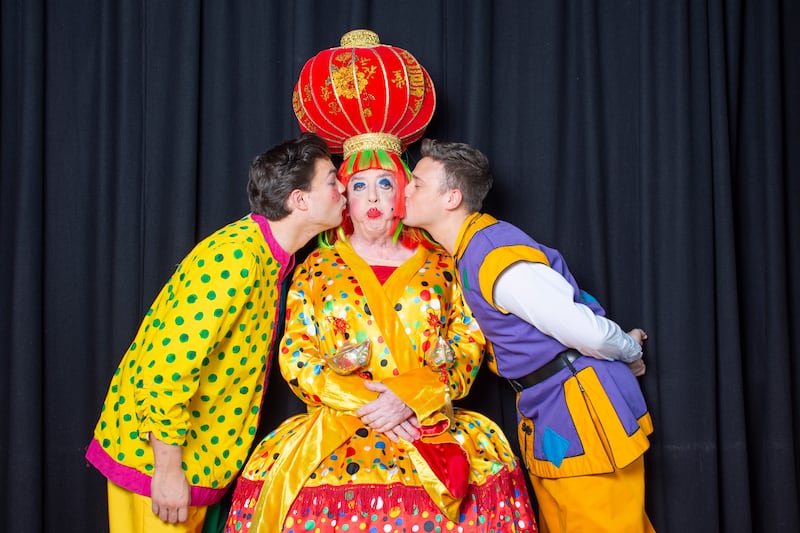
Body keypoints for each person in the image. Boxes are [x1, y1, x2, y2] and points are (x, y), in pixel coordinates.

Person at [223, 138, 537, 532]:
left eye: (385, 184)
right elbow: (296, 354)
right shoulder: (316, 267)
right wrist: (369, 405)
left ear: (403, 192)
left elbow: (468, 344)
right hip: (338, 427)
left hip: (429, 423)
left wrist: (411, 397)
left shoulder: (444, 266)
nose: (372, 195)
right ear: (344, 199)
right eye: (358, 185)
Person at [85, 132, 347, 533]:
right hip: (158, 464)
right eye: (331, 179)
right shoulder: (236, 257)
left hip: (200, 467)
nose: (343, 186)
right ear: (300, 199)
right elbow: (166, 366)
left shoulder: (271, 257)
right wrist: (168, 470)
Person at [403, 139, 655, 533]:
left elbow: (581, 328)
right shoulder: (469, 250)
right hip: (549, 410)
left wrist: (625, 350)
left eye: (416, 183)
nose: (405, 189)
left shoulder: (493, 253)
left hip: (580, 407)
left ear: (451, 197)